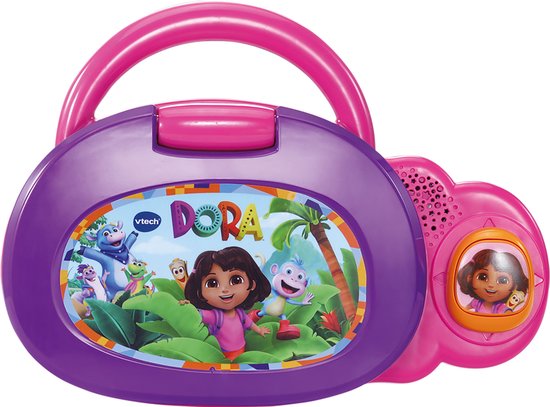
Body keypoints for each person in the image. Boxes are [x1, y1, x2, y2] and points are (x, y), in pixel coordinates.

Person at [185, 247, 272, 360]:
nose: (224, 290)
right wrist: (186, 306)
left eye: (236, 280)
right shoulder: (216, 316)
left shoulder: (240, 313)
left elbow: (249, 323)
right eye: (212, 283)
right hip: (223, 353)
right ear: (199, 291)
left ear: (252, 284)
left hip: (241, 348)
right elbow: (195, 314)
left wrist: (259, 330)